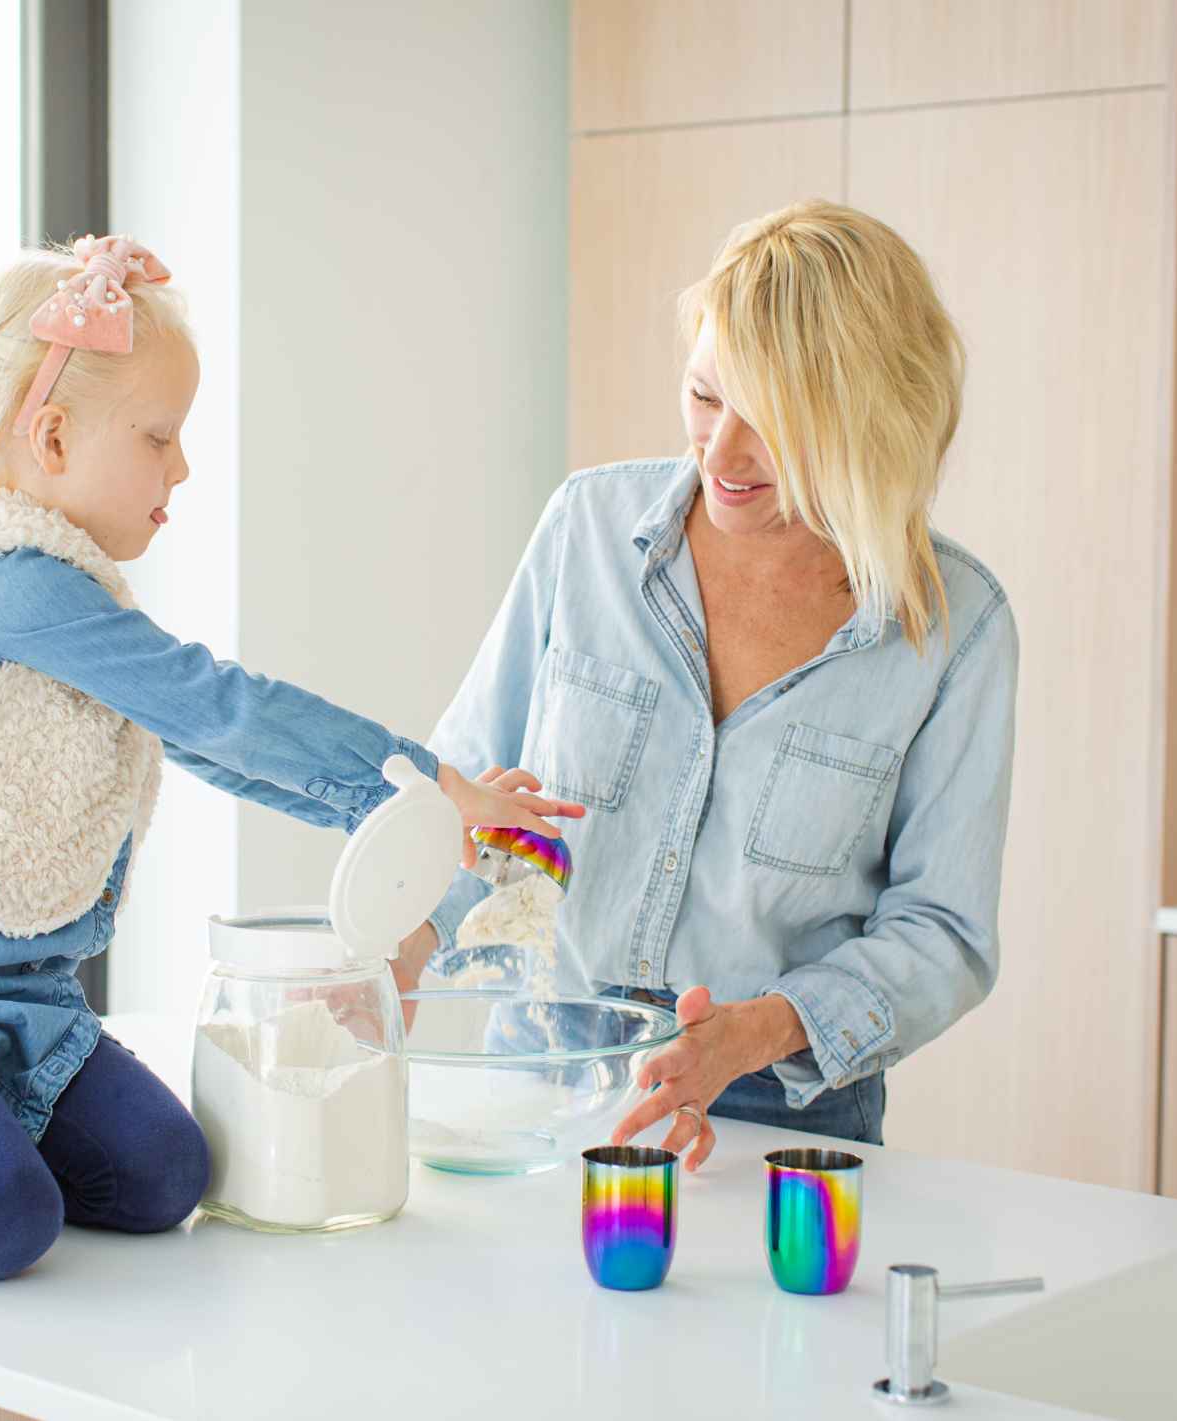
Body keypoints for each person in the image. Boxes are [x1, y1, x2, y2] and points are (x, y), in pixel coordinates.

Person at [0, 237, 579, 1280]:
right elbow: (215, 706)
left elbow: (204, 741)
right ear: (50, 437)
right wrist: (426, 780)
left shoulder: (72, 591)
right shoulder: (4, 581)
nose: (180, 466)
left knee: (161, 1179)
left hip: (18, 997)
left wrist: (411, 815)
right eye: (159, 436)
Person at [398, 201, 1017, 1169]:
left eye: (771, 425)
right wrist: (403, 940)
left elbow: (945, 932)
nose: (720, 453)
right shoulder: (588, 532)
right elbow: (472, 781)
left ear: (869, 424)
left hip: (782, 1125)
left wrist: (753, 1032)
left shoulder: (953, 628)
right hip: (545, 1085)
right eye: (704, 396)